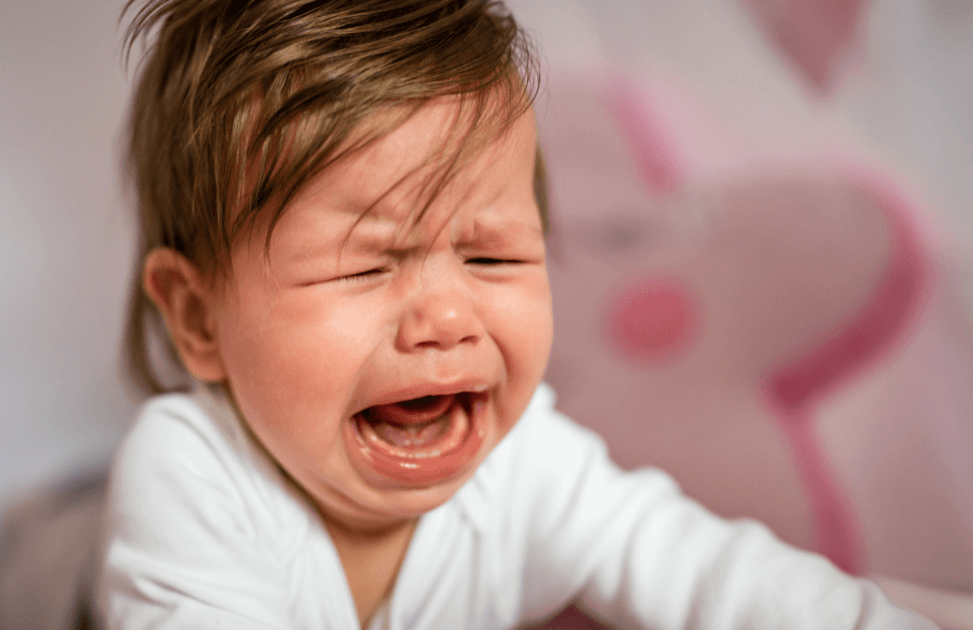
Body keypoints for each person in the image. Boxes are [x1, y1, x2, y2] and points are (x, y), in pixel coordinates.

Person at [96, 1, 937, 628]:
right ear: (199, 319)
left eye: (491, 256)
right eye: (366, 264)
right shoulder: (192, 477)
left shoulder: (529, 460)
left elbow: (717, 576)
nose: (447, 317)